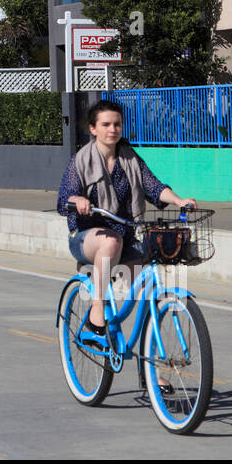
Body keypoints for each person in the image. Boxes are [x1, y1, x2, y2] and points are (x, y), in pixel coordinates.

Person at [57, 99, 196, 341]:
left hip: (126, 237)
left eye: (117, 124)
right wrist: (77, 199)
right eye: (106, 124)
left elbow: (153, 187)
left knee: (149, 295)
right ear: (93, 129)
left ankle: (152, 372)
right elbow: (64, 197)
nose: (113, 129)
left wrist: (178, 200)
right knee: (110, 241)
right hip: (86, 237)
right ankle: (97, 307)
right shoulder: (81, 160)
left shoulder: (130, 158)